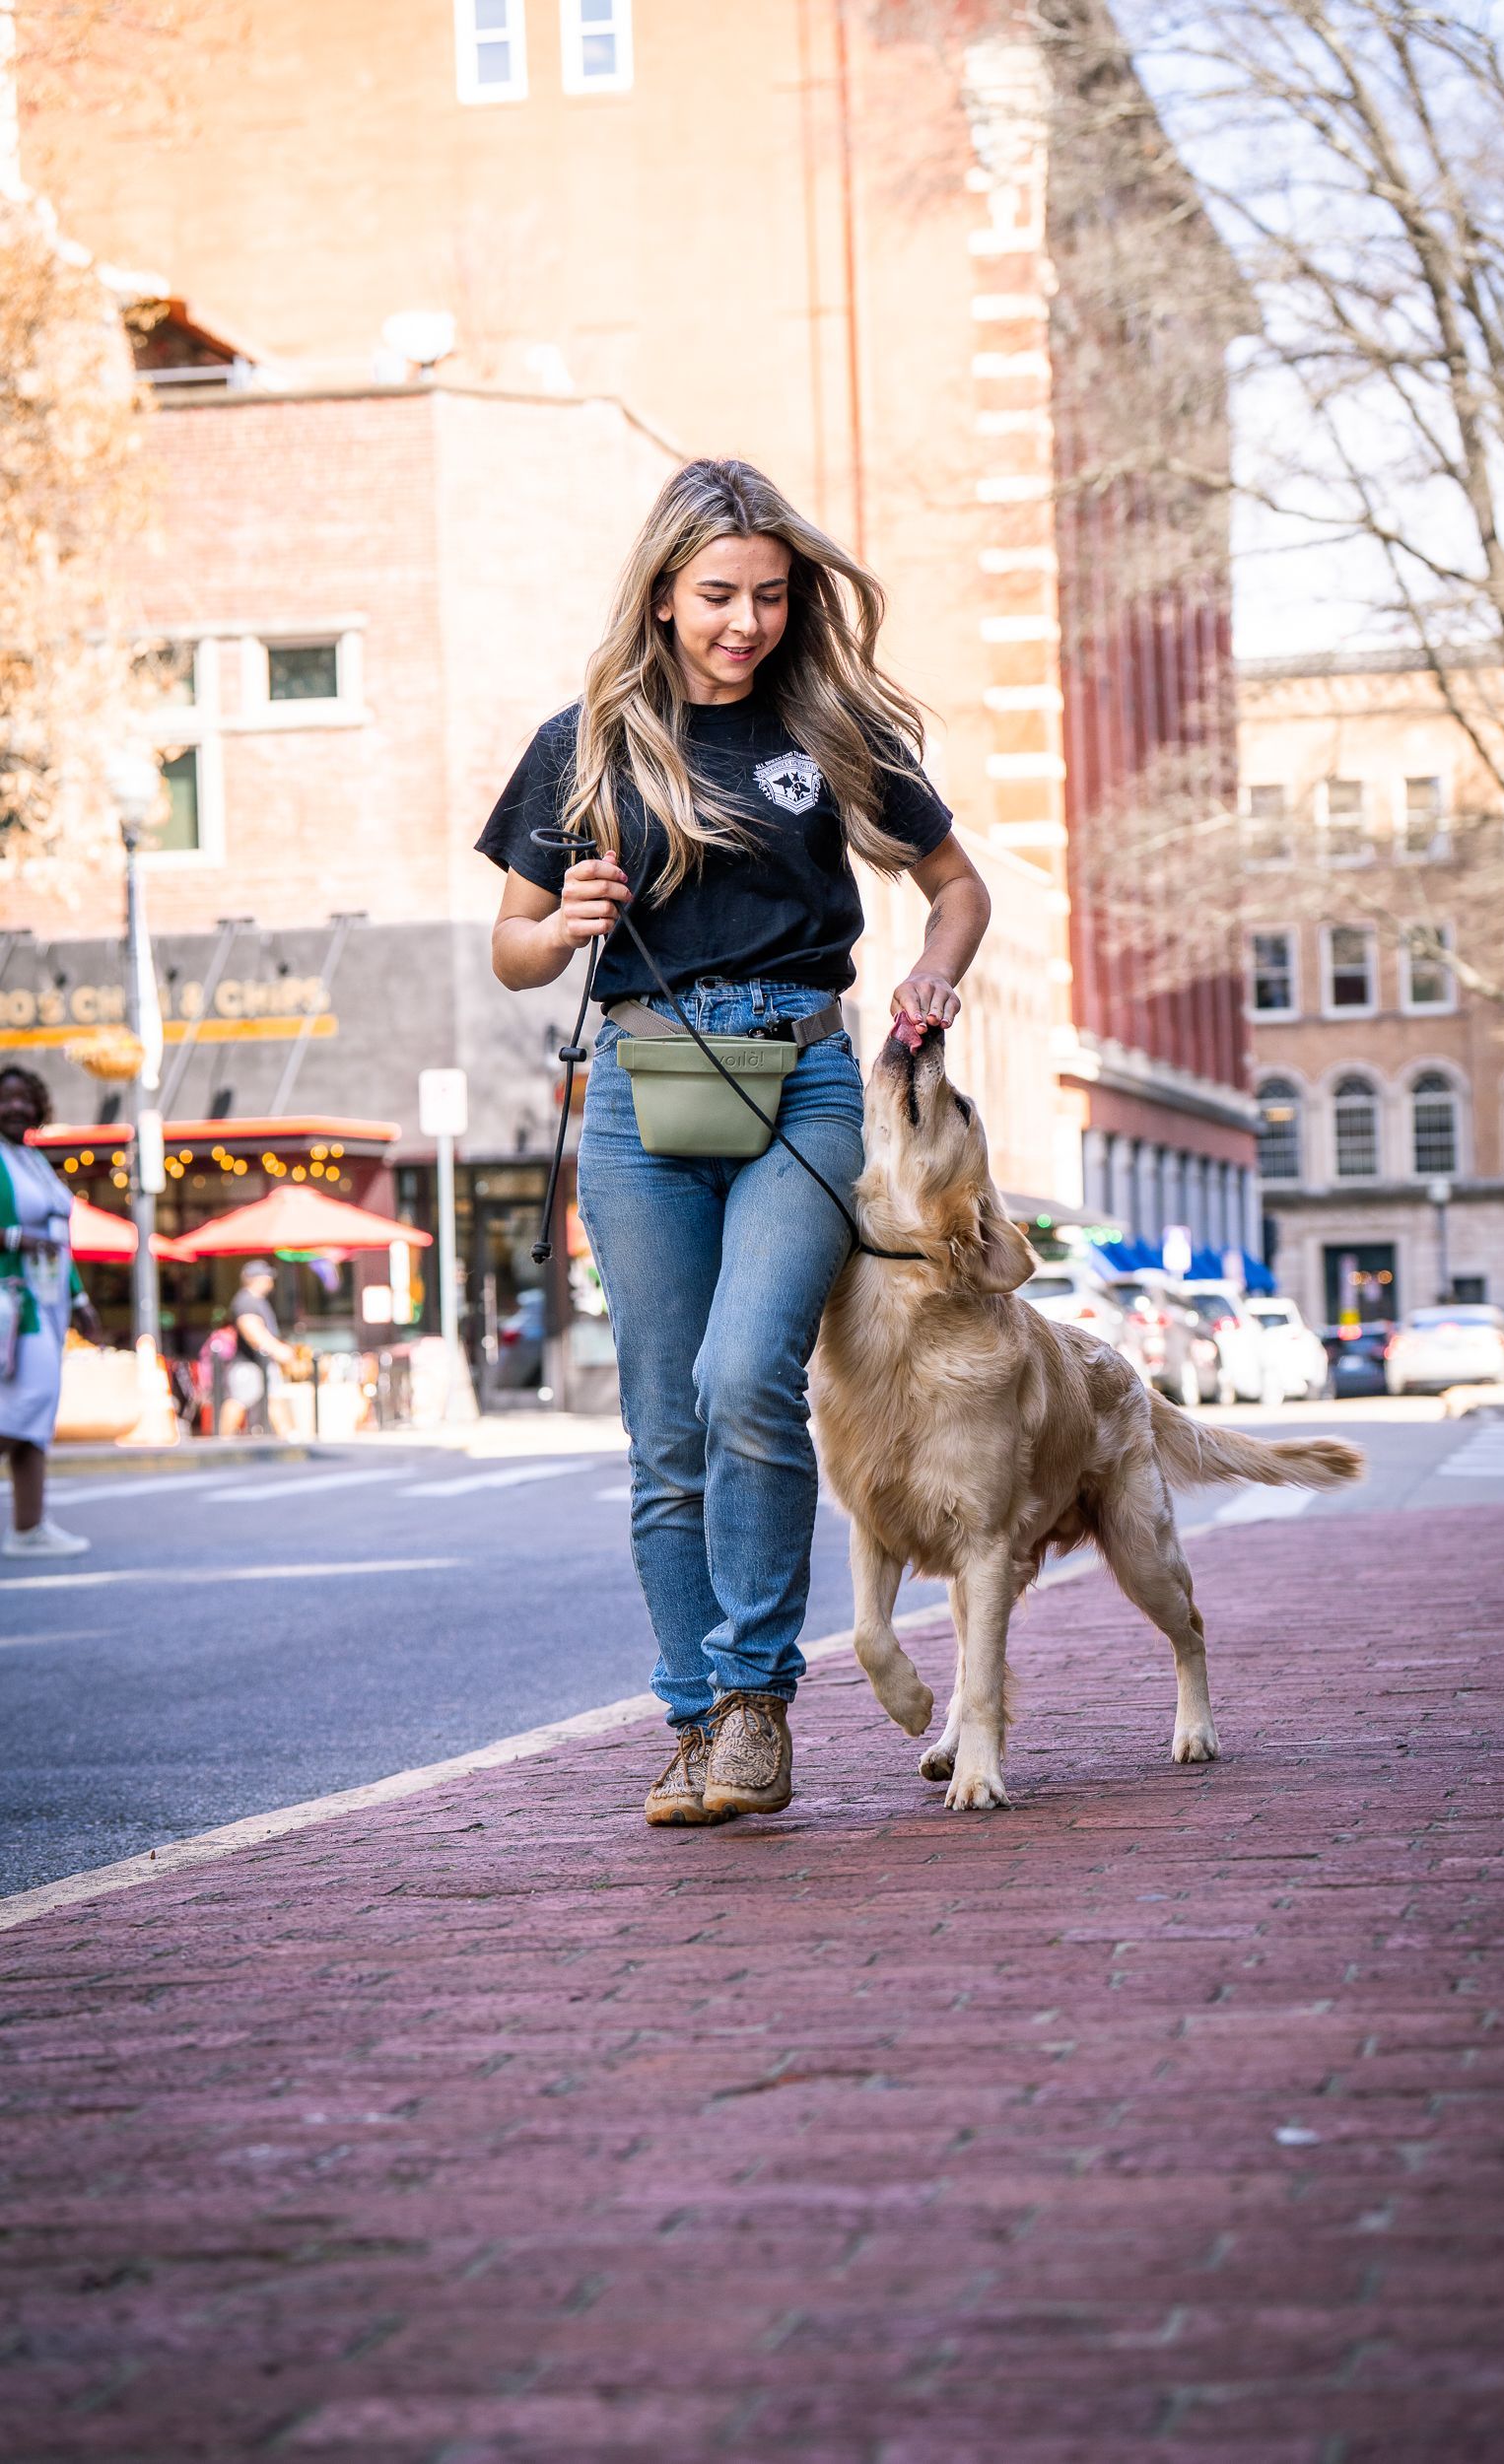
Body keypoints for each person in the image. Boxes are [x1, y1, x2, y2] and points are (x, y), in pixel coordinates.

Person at [481, 456, 992, 1828]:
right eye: (717, 594)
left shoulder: (828, 727)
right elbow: (511, 954)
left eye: (769, 595)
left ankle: (758, 1703)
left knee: (742, 1373)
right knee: (661, 1431)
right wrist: (567, 918)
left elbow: (954, 888)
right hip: (642, 1099)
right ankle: (690, 1717)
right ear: (659, 594)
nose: (745, 622)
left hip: (805, 1082)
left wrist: (932, 975)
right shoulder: (580, 744)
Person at [0, 1065, 101, 1558]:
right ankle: (29, 1525)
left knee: (34, 1416)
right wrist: (18, 1238)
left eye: (25, 1099)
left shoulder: (31, 1159)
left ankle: (28, 1526)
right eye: (6, 1099)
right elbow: (32, 1237)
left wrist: (79, 1299)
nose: (16, 1107)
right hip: (15, 1306)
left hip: (49, 1302)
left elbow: (59, 1241)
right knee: (24, 1408)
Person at [217, 1260, 298, 1436]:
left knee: (274, 1397)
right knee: (239, 1400)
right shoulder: (246, 1301)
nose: (270, 1281)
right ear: (257, 1279)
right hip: (249, 1363)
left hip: (261, 1361)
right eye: (267, 1277)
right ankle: (222, 1439)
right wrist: (278, 1350)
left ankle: (288, 1436)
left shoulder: (255, 1301)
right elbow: (253, 1332)